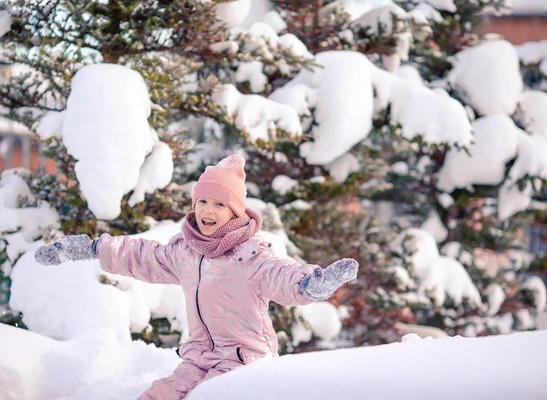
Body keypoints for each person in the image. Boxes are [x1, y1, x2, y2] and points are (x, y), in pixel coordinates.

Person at [35, 154, 359, 400]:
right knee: (159, 396)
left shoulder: (249, 256)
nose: (208, 209)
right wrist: (92, 248)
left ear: (236, 212)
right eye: (202, 201)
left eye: (219, 204)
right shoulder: (186, 252)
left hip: (244, 360)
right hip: (199, 358)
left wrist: (312, 283)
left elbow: (281, 275)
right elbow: (143, 256)